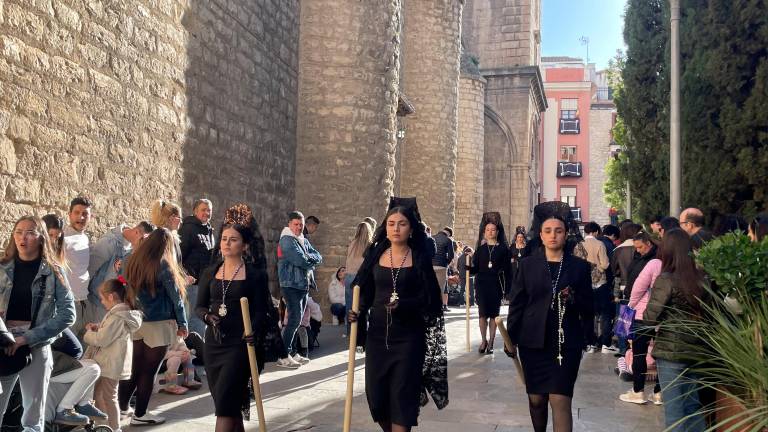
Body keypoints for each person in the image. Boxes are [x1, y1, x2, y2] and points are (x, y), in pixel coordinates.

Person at [348, 200, 447, 431]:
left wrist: (405, 305)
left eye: (402, 224)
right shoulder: (375, 255)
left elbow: (431, 301)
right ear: (385, 227)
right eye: (391, 223)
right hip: (377, 338)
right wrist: (357, 312)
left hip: (409, 340)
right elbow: (364, 291)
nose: (396, 228)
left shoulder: (420, 258)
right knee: (377, 398)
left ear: (411, 229)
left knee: (403, 398)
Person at [506, 214, 594, 432]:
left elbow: (589, 307)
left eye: (559, 231)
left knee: (560, 399)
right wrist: (511, 338)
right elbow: (517, 304)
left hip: (566, 342)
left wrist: (574, 299)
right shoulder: (527, 265)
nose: (553, 235)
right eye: (548, 231)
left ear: (566, 235)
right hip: (532, 341)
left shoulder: (579, 267)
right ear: (541, 235)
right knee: (536, 400)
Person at [196, 205, 277, 432]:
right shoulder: (210, 272)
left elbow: (262, 310)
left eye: (233, 240)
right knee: (230, 407)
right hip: (214, 345)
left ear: (245, 245)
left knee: (225, 408)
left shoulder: (255, 275)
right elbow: (199, 307)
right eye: (224, 239)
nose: (227, 243)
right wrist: (207, 316)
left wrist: (253, 330)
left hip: (239, 346)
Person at [0, 216, 76, 431]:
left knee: (33, 417)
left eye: (30, 233)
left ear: (41, 238)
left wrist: (27, 338)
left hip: (36, 344)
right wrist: (5, 335)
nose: (22, 238)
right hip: (2, 344)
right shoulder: (2, 266)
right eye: (18, 232)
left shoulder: (54, 271)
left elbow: (68, 314)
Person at [119, 228, 188, 426]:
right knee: (148, 372)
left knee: (134, 369)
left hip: (136, 321)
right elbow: (177, 298)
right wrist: (183, 323)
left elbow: (123, 284)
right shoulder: (163, 264)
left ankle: (121, 409)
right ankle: (140, 415)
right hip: (158, 324)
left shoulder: (130, 260)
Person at [644, 228, 707, 431]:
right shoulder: (702, 279)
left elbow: (650, 317)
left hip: (671, 352)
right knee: (693, 407)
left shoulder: (666, 279)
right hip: (697, 350)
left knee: (674, 411)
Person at [83, 277, 142, 432]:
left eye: (102, 299)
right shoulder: (121, 314)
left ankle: (113, 427)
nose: (102, 302)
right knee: (102, 395)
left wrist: (89, 333)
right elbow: (111, 333)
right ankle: (104, 425)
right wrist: (99, 327)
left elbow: (102, 339)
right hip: (111, 362)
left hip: (109, 363)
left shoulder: (117, 316)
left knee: (107, 396)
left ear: (111, 296)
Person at [277, 211, 322, 366]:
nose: (299, 227)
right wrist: (309, 260)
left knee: (298, 321)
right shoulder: (287, 240)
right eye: (296, 224)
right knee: (294, 320)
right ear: (289, 224)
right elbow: (300, 261)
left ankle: (292, 352)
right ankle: (283, 355)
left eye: (301, 225)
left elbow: (318, 256)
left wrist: (309, 258)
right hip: (290, 285)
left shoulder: (302, 239)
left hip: (302, 285)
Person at [619, 248, 662, 405]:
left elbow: (639, 287)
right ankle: (659, 393)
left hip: (643, 315)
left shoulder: (655, 263)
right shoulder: (683, 266)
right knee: (662, 356)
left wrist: (630, 306)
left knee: (639, 354)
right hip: (666, 317)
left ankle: (638, 392)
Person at [87, 223, 148, 323]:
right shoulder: (109, 242)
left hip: (113, 307)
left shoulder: (134, 252)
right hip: (97, 302)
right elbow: (91, 268)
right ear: (137, 232)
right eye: (143, 240)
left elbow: (123, 281)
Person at [470, 212, 511, 354]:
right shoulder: (480, 250)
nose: (490, 232)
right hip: (481, 285)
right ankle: (483, 340)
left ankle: (491, 342)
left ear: (497, 232)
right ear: (484, 232)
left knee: (494, 315)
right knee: (482, 315)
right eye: (487, 230)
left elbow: (507, 270)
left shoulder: (503, 249)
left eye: (493, 230)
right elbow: (476, 268)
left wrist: (507, 289)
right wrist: (469, 268)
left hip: (495, 285)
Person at [179, 198, 215, 336]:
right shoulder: (188, 229)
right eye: (203, 210)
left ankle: (199, 345)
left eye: (209, 210)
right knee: (196, 317)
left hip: (205, 283)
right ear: (195, 211)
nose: (207, 213)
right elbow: (179, 256)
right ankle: (195, 346)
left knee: (202, 316)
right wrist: (185, 275)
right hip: (192, 283)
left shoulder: (209, 230)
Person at [63, 196, 93, 339]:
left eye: (85, 214)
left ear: (91, 217)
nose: (81, 217)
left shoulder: (85, 238)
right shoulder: (62, 238)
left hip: (83, 301)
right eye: (77, 212)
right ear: (69, 214)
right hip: (67, 303)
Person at [582, 222, 611, 354]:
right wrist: (599, 269)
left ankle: (590, 343)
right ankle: (605, 344)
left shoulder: (579, 245)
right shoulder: (600, 244)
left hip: (585, 283)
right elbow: (605, 264)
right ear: (596, 232)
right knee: (605, 314)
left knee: (588, 314)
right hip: (600, 282)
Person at [345, 222, 374, 336]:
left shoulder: (352, 243)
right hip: (361, 278)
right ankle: (360, 334)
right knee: (362, 307)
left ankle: (350, 333)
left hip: (349, 276)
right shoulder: (370, 245)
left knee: (350, 307)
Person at [432, 227, 455, 312]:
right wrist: (446, 263)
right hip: (442, 266)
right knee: (441, 288)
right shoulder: (448, 240)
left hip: (430, 266)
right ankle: (438, 307)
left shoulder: (432, 237)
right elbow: (451, 255)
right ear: (449, 234)